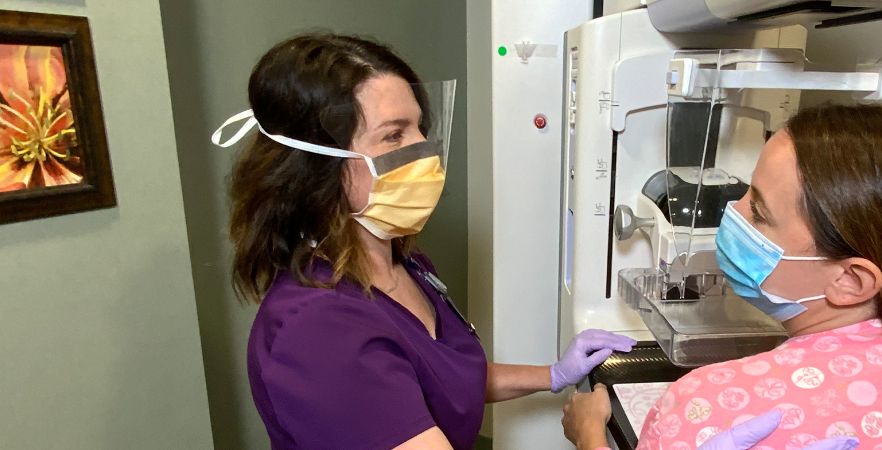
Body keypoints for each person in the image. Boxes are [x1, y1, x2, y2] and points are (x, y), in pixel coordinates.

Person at [212, 33, 636, 450]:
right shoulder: (320, 330)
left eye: (421, 129)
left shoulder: (407, 266)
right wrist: (589, 436)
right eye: (394, 136)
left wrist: (553, 374)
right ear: (317, 166)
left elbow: (439, 379)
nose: (425, 150)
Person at [563, 104, 882, 450]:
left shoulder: (711, 407)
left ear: (852, 281)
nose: (732, 211)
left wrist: (588, 435)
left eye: (758, 212)